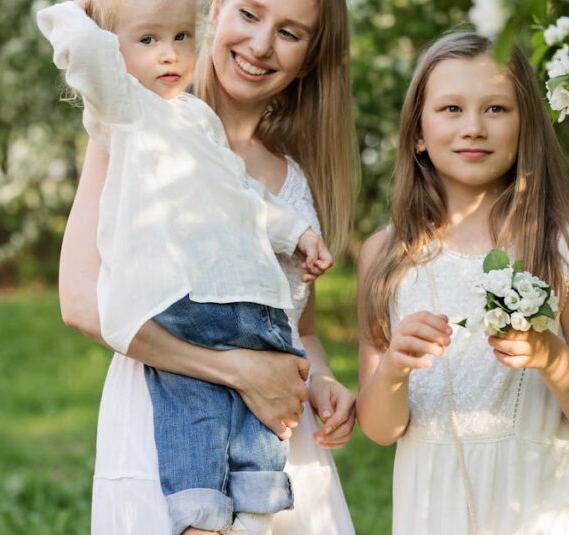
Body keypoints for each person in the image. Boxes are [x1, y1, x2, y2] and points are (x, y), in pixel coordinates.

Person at [54, 0, 360, 532]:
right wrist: (241, 372)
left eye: (289, 32)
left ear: (310, 57)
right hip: (166, 409)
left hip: (282, 439)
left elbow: (299, 329)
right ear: (215, 12)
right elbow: (82, 304)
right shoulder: (136, 124)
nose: (261, 44)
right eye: (249, 13)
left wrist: (323, 380)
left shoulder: (295, 181)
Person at [355, 31, 569, 534]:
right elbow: (378, 428)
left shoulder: (566, 245)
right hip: (432, 512)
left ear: (525, 125)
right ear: (417, 131)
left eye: (497, 109)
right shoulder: (386, 255)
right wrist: (393, 367)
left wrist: (551, 356)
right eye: (451, 109)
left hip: (544, 510)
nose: (474, 128)